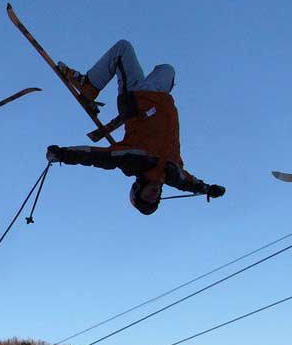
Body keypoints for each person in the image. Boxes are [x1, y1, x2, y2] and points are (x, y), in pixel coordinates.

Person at [44, 40, 224, 215]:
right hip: (157, 97)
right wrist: (208, 189)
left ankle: (89, 86)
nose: (153, 196)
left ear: (139, 188)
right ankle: (105, 95)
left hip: (136, 102)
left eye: (146, 197)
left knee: (122, 49)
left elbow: (99, 157)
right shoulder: (173, 172)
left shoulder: (136, 162)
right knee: (167, 70)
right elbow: (190, 183)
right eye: (155, 200)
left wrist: (63, 154)